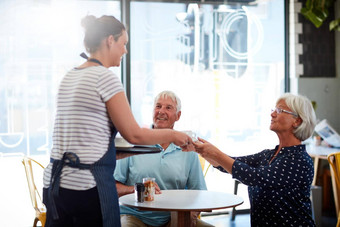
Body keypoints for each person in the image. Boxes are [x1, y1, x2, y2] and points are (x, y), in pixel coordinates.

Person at [42, 16, 192, 227]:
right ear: (110, 40)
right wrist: (175, 135)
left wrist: (113, 152)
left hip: (56, 184)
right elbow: (134, 134)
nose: (125, 51)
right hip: (87, 187)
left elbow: (80, 137)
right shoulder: (105, 78)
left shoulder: (70, 76)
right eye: (124, 44)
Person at [193, 93, 317, 226]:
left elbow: (254, 177)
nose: (272, 114)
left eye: (279, 110)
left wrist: (215, 153)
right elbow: (230, 163)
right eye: (274, 110)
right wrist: (203, 151)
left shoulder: (300, 160)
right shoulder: (268, 155)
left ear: (297, 121)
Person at [114, 90, 212, 227]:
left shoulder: (187, 149)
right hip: (134, 216)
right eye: (158, 106)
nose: (161, 111)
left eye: (168, 107)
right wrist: (136, 189)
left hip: (174, 218)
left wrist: (191, 215)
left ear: (178, 116)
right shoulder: (134, 143)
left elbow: (200, 193)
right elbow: (114, 187)